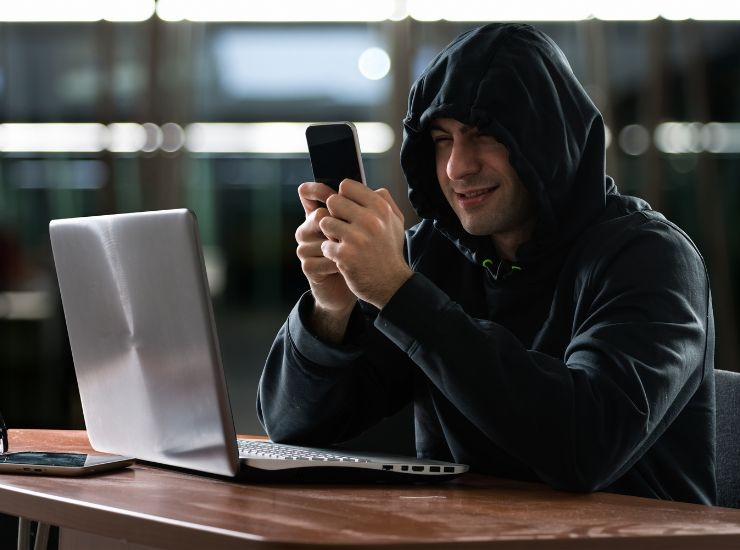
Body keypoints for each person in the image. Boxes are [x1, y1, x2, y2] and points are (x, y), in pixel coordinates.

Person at [257, 23, 716, 504]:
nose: (458, 166)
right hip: (464, 533)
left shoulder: (653, 259)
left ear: (545, 138)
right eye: (441, 139)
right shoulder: (432, 255)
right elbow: (293, 426)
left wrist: (399, 293)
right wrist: (332, 309)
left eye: (485, 134)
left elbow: (585, 447)